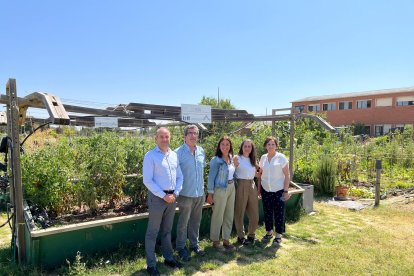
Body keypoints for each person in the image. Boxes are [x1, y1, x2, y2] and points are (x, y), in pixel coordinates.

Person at [143, 127, 184, 276]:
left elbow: (180, 176)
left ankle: (168, 258)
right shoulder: (150, 156)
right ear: (156, 138)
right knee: (152, 232)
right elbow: (147, 180)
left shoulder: (173, 155)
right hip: (157, 199)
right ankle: (151, 265)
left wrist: (176, 193)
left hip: (172, 198)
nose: (164, 139)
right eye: (161, 137)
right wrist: (162, 195)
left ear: (170, 138)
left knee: (167, 231)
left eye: (167, 136)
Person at [175, 125, 206, 261]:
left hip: (199, 194)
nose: (193, 136)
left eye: (196, 133)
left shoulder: (201, 151)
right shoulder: (177, 153)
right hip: (185, 194)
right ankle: (181, 248)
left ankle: (194, 245)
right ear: (185, 136)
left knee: (196, 221)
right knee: (183, 223)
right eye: (190, 133)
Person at [258, 136, 290, 245]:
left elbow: (287, 175)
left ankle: (278, 235)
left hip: (279, 190)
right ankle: (269, 232)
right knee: (267, 211)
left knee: (279, 212)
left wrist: (286, 191)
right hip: (265, 189)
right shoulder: (263, 158)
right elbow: (260, 174)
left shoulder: (281, 158)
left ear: (276, 146)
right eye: (268, 144)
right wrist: (259, 189)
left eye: (273, 144)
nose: (271, 146)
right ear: (265, 146)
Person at [206, 136, 236, 251]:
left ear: (230, 146)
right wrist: (210, 194)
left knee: (229, 214)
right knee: (218, 214)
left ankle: (226, 239)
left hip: (231, 187)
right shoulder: (216, 160)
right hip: (220, 189)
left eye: (227, 144)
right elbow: (211, 177)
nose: (225, 146)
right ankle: (215, 240)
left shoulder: (231, 158)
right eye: (222, 144)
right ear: (219, 146)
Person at [233, 139, 260, 245]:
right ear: (242, 147)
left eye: (249, 146)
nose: (247, 148)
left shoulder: (253, 159)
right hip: (241, 185)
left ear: (252, 148)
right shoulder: (237, 158)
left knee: (255, 214)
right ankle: (240, 236)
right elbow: (231, 170)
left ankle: (251, 235)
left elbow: (257, 172)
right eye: (245, 146)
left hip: (252, 185)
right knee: (239, 212)